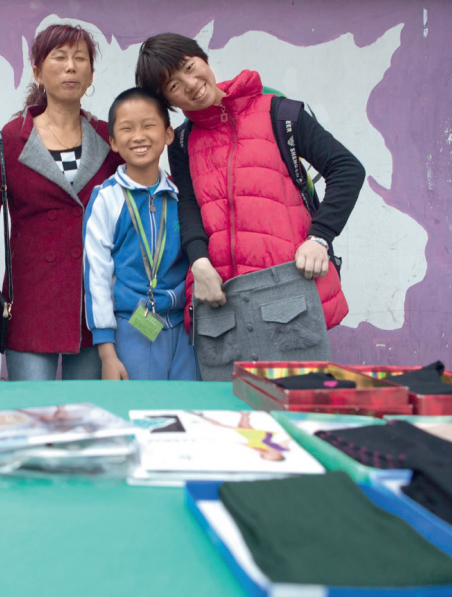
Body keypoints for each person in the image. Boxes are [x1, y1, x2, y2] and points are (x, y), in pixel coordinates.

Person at [135, 34, 365, 373]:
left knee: (294, 397)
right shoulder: (182, 141)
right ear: (167, 100)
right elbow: (189, 206)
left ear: (203, 58)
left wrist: (320, 238)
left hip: (288, 292)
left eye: (189, 67)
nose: (190, 84)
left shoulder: (279, 113)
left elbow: (347, 169)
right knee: (225, 404)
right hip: (220, 299)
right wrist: (199, 262)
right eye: (173, 85)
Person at [0, 24, 122, 381]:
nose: (71, 66)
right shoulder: (7, 141)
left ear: (91, 73)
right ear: (37, 71)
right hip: (31, 304)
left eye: (80, 58)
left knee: (88, 409)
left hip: (93, 305)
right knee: (33, 409)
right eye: (59, 57)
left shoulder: (110, 139)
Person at [82, 88, 198, 381]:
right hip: (132, 327)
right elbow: (97, 276)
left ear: (168, 134)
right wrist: (107, 355)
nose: (138, 136)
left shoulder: (182, 196)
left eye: (148, 126)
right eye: (127, 129)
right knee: (140, 406)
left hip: (183, 329)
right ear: (113, 141)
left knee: (187, 405)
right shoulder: (106, 198)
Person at [190, 412, 290, 461]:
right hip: (260, 436)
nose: (264, 455)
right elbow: (286, 440)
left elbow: (248, 446)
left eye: (264, 457)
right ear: (277, 456)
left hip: (253, 438)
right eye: (269, 457)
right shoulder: (281, 448)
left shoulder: (259, 450)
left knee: (240, 425)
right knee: (226, 425)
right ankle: (245, 414)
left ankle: (244, 414)